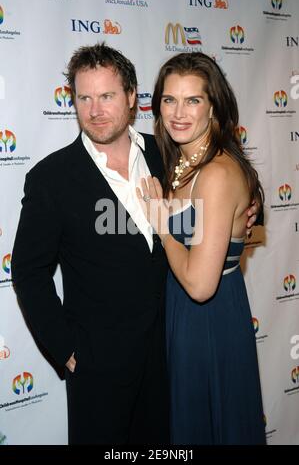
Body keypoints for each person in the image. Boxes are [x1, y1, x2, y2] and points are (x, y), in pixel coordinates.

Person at [11, 43, 258, 445]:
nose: (95, 110)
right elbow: (27, 271)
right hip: (98, 368)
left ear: (132, 97)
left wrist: (251, 210)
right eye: (84, 97)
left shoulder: (168, 154)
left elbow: (221, 187)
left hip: (171, 358)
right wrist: (66, 350)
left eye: (107, 96)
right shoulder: (51, 178)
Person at [136, 52, 266, 445]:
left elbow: (200, 286)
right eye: (169, 100)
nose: (179, 112)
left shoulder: (215, 172)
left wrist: (163, 227)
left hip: (208, 321)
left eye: (193, 100)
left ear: (214, 107)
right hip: (183, 316)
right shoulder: (180, 159)